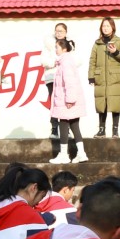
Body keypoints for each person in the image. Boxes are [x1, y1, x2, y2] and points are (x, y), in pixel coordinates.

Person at [45, 24, 88, 164]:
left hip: (66, 102)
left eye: (57, 47)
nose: (55, 49)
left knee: (63, 126)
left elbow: (69, 82)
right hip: (70, 101)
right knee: (75, 126)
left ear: (63, 49)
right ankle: (81, 153)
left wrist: (69, 99)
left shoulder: (65, 62)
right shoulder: (66, 61)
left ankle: (64, 154)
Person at [89, 17, 120, 139]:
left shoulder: (118, 41)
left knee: (115, 103)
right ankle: (101, 131)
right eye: (103, 26)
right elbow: (92, 61)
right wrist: (91, 77)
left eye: (107, 26)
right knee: (102, 104)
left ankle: (115, 131)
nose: (105, 28)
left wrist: (116, 52)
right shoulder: (97, 43)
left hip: (114, 79)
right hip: (100, 78)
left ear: (112, 27)